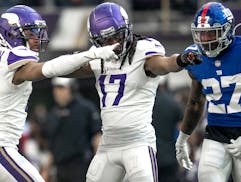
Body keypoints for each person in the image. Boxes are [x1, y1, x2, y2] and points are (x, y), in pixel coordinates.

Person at [56, 2, 200, 182]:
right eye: (105, 41)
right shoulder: (98, 57)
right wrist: (84, 56)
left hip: (137, 143)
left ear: (127, 30)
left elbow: (163, 64)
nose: (113, 44)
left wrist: (180, 60)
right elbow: (62, 70)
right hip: (107, 145)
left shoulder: (143, 51)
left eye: (116, 37)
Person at [0, 5, 118, 182]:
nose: (36, 39)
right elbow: (49, 69)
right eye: (30, 34)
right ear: (10, 34)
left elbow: (56, 70)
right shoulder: (12, 60)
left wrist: (93, 65)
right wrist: (90, 54)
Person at [175, 2, 241, 182]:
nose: (205, 39)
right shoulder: (195, 57)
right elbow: (195, 103)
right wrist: (182, 139)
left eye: (211, 33)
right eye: (201, 33)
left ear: (227, 30)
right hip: (214, 136)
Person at [43, 77, 102, 182]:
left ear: (72, 89)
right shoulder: (53, 114)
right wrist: (46, 171)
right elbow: (52, 145)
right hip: (60, 169)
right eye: (55, 88)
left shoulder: (86, 108)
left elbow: (97, 137)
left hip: (82, 167)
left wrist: (98, 167)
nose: (56, 92)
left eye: (61, 88)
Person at [152, 77, 184, 182]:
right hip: (168, 159)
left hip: (146, 159)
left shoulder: (139, 105)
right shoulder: (173, 103)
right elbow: (183, 134)